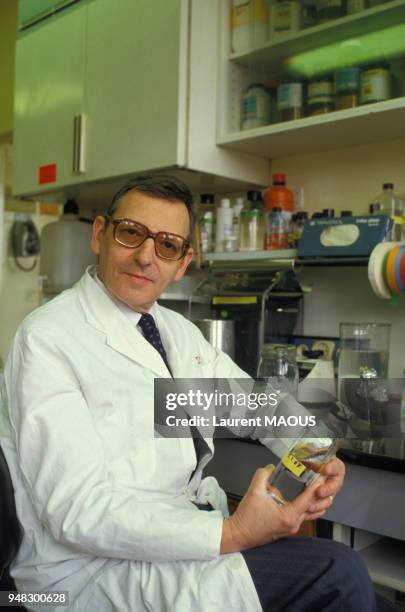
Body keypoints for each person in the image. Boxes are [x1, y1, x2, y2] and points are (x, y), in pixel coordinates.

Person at [0, 175, 392, 612]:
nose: (146, 256)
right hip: (88, 573)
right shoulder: (49, 338)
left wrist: (315, 452)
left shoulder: (174, 334)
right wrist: (235, 533)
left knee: (367, 596)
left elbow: (249, 404)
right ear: (100, 234)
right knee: (339, 572)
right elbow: (77, 511)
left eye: (166, 244)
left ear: (182, 262)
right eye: (131, 233)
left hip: (178, 543)